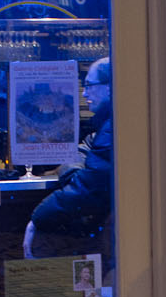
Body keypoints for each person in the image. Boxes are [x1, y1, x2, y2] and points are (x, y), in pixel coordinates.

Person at [24, 58, 113, 270]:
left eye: (89, 85)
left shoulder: (113, 127)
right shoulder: (109, 126)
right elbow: (88, 147)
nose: (84, 94)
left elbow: (90, 189)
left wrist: (37, 219)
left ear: (110, 88)